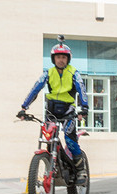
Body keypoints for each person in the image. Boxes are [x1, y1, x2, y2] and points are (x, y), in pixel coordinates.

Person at [20, 38, 89, 167]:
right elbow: (35, 89)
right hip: (51, 112)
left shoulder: (74, 73)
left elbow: (82, 89)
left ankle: (80, 169)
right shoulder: (48, 73)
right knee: (49, 140)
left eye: (63, 57)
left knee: (70, 140)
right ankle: (53, 166)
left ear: (68, 59)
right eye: (58, 57)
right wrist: (24, 108)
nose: (61, 60)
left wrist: (84, 107)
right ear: (53, 59)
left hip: (68, 112)